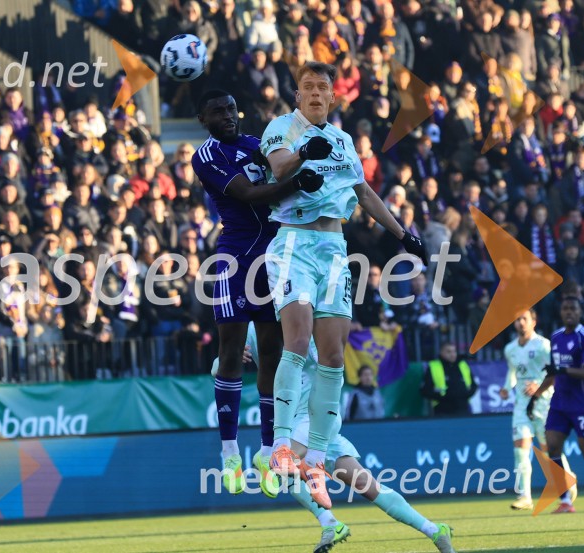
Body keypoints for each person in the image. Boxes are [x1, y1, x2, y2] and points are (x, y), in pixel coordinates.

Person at [259, 61, 426, 508]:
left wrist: (403, 235)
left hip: (334, 249)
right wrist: (302, 159)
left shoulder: (342, 140)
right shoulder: (280, 128)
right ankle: (279, 445)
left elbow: (365, 193)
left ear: (333, 97)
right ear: (297, 95)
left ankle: (314, 452)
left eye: (322, 88)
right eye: (308, 87)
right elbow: (279, 171)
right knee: (296, 340)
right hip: (294, 240)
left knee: (334, 353)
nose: (315, 94)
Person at [215, 323, 455, 553]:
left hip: (315, 417)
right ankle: (434, 529)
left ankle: (330, 522)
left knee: (277, 463)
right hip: (291, 424)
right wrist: (230, 359)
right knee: (367, 486)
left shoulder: (301, 322)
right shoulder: (255, 329)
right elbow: (221, 367)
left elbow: (330, 362)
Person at [191, 89, 326, 496]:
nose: (227, 116)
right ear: (204, 119)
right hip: (235, 256)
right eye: (218, 111)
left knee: (272, 353)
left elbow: (285, 172)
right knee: (231, 350)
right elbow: (248, 195)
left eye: (231, 109)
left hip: (275, 255)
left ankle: (268, 450)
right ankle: (230, 452)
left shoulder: (259, 143)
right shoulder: (206, 155)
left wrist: (304, 168)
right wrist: (296, 180)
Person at [499, 309, 576, 511]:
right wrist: (507, 388)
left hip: (543, 402)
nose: (520, 323)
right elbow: (513, 372)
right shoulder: (510, 349)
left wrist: (539, 386)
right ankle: (525, 496)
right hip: (522, 404)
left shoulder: (543, 345)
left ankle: (566, 481)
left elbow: (554, 372)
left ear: (534, 321)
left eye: (524, 318)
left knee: (549, 449)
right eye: (517, 319)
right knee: (520, 450)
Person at [528, 296, 584, 514]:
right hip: (559, 404)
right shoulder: (555, 337)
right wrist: (535, 396)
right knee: (552, 446)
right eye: (565, 308)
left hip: (583, 404)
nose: (568, 312)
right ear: (560, 312)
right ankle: (565, 500)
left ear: (580, 312)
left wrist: (563, 370)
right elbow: (553, 374)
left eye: (572, 308)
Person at [421, 342, 478, 416]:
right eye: (448, 352)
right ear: (441, 352)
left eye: (454, 351)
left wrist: (465, 395)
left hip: (463, 408)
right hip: (442, 409)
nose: (452, 354)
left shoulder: (463, 365)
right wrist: (443, 397)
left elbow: (473, 385)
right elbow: (425, 390)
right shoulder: (434, 366)